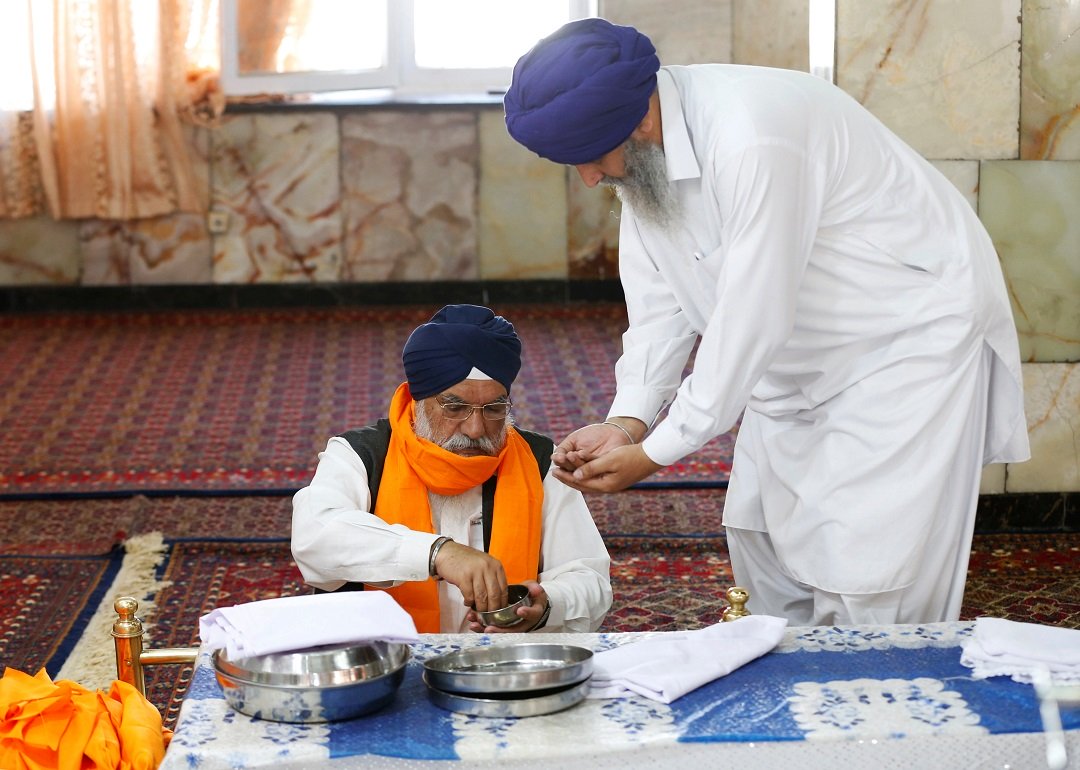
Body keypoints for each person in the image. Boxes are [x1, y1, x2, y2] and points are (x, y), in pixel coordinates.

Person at [502, 19, 1030, 626]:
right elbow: (661, 303)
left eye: (591, 160)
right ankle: (801, 710)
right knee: (767, 557)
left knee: (871, 580)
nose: (590, 179)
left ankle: (881, 710)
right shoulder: (647, 156)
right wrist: (629, 421)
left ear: (640, 122)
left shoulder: (753, 136)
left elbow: (755, 313)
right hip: (793, 360)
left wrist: (657, 452)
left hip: (903, 348)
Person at [291, 304, 612, 633]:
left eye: (493, 408)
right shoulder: (360, 455)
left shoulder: (539, 461)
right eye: (455, 407)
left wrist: (547, 606)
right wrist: (436, 554)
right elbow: (314, 537)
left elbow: (590, 579)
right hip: (387, 667)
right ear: (419, 401)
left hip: (501, 670)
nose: (475, 428)